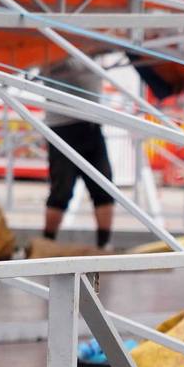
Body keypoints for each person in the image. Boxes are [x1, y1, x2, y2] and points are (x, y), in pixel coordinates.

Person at [40, 57, 116, 249]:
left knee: (104, 186)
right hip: (62, 128)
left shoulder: (92, 48)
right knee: (61, 191)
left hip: (90, 125)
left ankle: (104, 244)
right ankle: (47, 241)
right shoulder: (50, 49)